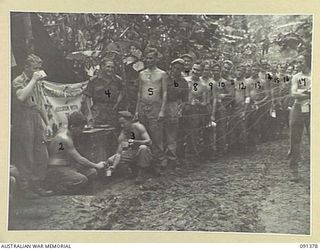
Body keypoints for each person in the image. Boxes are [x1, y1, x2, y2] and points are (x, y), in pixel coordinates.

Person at [12, 54, 53, 199]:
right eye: (35, 68)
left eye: (39, 68)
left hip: (36, 117)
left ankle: (37, 184)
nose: (38, 71)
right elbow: (21, 96)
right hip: (23, 118)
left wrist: (47, 124)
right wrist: (34, 79)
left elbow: (40, 104)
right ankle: (25, 188)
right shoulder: (19, 81)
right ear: (27, 67)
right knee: (26, 154)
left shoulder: (37, 83)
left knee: (42, 154)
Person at [45, 111, 105, 194]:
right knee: (81, 179)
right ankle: (56, 189)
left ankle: (85, 194)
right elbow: (80, 159)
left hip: (67, 166)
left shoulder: (67, 129)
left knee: (92, 172)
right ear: (73, 127)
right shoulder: (65, 139)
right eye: (80, 128)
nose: (82, 130)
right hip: (57, 169)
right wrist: (97, 165)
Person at [134, 48, 168, 171]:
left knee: (156, 135)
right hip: (143, 106)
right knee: (144, 134)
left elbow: (164, 93)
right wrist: (137, 110)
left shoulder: (162, 74)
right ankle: (144, 164)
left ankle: (158, 163)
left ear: (156, 59)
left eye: (151, 58)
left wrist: (162, 110)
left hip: (155, 107)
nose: (148, 60)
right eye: (147, 58)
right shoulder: (142, 73)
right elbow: (139, 92)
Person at [106, 111, 152, 184]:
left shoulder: (138, 127)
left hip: (143, 151)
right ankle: (130, 172)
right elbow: (119, 153)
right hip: (132, 152)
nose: (122, 126)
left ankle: (141, 174)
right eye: (120, 123)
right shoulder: (123, 134)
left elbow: (149, 141)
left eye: (123, 123)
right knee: (111, 160)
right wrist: (114, 166)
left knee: (143, 148)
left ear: (129, 120)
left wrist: (135, 142)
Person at [288, 55, 311, 180]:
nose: (298, 64)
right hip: (298, 109)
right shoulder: (296, 77)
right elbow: (294, 93)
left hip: (312, 110)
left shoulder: (314, 75)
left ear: (308, 62)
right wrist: (308, 93)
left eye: (301, 61)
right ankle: (294, 169)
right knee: (295, 139)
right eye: (297, 62)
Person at [83, 59, 124, 128]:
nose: (110, 69)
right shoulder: (94, 80)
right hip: (97, 112)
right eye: (108, 67)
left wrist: (117, 103)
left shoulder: (118, 80)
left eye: (112, 67)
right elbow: (87, 97)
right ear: (102, 67)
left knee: (112, 133)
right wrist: (89, 113)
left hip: (112, 112)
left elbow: (122, 92)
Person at [164, 58, 189, 167]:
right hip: (160, 105)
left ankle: (171, 158)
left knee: (172, 135)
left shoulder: (183, 82)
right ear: (171, 67)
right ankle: (159, 158)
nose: (176, 70)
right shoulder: (164, 77)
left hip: (173, 106)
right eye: (174, 68)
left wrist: (180, 109)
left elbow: (185, 100)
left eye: (179, 69)